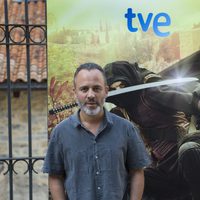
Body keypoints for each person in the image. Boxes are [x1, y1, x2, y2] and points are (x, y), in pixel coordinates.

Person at [43, 63, 151, 200]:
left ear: (106, 91)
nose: (91, 95)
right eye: (84, 89)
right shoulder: (60, 133)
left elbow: (137, 172)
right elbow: (55, 176)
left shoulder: (126, 129)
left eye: (96, 88)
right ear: (75, 92)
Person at [104, 61, 200, 200]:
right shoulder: (121, 109)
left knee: (189, 150)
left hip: (182, 154)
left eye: (122, 85)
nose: (119, 91)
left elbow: (191, 100)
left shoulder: (153, 92)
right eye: (114, 89)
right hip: (162, 166)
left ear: (130, 80)